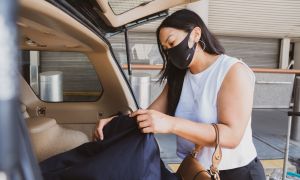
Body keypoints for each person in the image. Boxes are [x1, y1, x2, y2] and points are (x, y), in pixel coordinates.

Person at [94, 9, 266, 180]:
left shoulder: (231, 71)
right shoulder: (179, 77)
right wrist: (117, 122)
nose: (170, 51)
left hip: (238, 173)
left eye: (172, 42)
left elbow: (231, 136)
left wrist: (171, 124)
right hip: (196, 171)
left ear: (196, 34)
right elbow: (149, 117)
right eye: (165, 48)